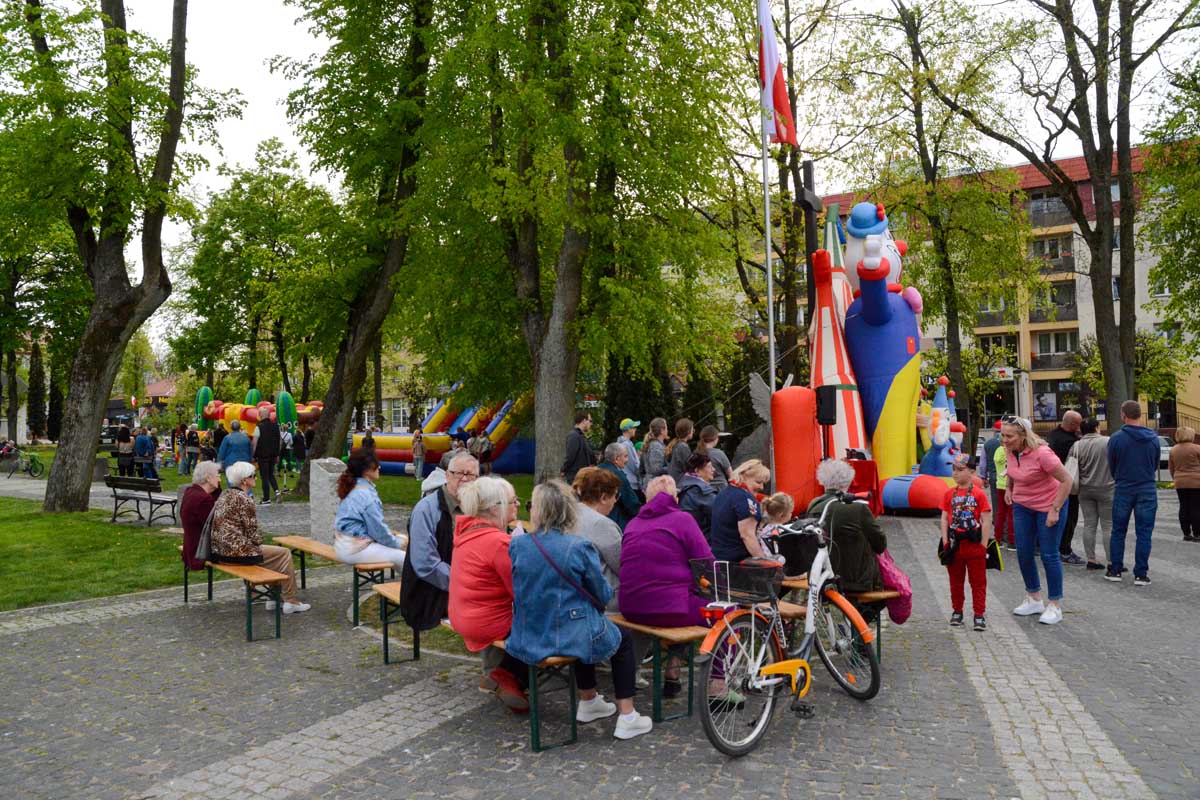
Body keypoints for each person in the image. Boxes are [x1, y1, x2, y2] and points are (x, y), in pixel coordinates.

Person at [508, 480, 653, 740]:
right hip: (568, 632)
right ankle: (627, 715)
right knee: (619, 638)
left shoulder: (518, 544)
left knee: (583, 627)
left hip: (530, 631)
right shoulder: (578, 546)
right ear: (567, 510)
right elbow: (602, 593)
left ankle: (589, 699)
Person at [619, 474, 715, 697]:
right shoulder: (683, 520)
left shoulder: (633, 523)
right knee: (727, 614)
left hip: (631, 607)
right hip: (669, 609)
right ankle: (719, 684)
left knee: (681, 600)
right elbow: (706, 563)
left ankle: (673, 669)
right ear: (675, 498)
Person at [447, 476, 530, 712]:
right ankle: (507, 676)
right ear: (495, 509)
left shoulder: (467, 533)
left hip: (462, 614)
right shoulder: (498, 542)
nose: (517, 504)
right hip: (485, 622)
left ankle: (504, 676)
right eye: (513, 501)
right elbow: (522, 591)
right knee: (547, 622)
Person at [210, 461, 310, 613]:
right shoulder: (244, 499)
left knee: (275, 556)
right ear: (244, 480)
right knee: (283, 554)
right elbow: (253, 533)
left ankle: (274, 599)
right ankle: (290, 601)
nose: (256, 478)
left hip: (219, 552)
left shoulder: (225, 495)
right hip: (235, 553)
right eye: (253, 475)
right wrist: (259, 543)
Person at [401, 452, 477, 648]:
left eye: (471, 475)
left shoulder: (476, 508)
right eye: (459, 473)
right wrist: (466, 582)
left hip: (462, 584)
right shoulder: (426, 509)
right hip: (429, 593)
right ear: (447, 475)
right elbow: (426, 564)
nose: (465, 479)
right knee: (492, 612)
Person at [1002, 416, 1072, 624]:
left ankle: (1054, 605)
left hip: (1049, 505)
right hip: (1023, 505)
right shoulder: (1010, 449)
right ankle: (1034, 598)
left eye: (1009, 436)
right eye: (1003, 435)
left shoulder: (1043, 454)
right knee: (1023, 552)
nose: (1004, 440)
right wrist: (1009, 488)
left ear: (1023, 436)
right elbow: (1012, 470)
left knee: (1049, 554)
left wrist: (1055, 509)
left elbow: (1067, 480)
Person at [807, 460, 887, 593]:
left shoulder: (814, 504)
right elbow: (880, 544)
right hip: (856, 580)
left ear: (822, 480)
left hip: (821, 576)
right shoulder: (858, 508)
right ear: (848, 481)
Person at [1106, 401, 1160, 586]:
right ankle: (1141, 574)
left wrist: (1120, 477)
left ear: (1123, 415)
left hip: (1124, 487)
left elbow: (1112, 465)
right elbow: (1155, 463)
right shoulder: (1153, 438)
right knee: (1144, 533)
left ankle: (1115, 570)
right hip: (1147, 488)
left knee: (1118, 530)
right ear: (1140, 414)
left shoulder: (1116, 438)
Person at [939, 454, 992, 631]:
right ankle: (957, 611)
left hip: (974, 544)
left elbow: (986, 519)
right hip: (955, 545)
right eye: (953, 469)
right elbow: (944, 518)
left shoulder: (979, 494)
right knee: (955, 581)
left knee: (978, 582)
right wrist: (945, 541)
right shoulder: (949, 494)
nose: (955, 473)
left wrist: (983, 545)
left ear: (971, 471)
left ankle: (979, 614)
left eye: (960, 469)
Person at [333, 449, 407, 572]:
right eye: (376, 465)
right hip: (354, 549)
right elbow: (378, 531)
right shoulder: (366, 495)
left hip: (343, 545)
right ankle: (417, 584)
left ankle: (406, 583)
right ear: (366, 470)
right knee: (405, 558)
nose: (379, 467)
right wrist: (399, 542)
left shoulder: (354, 486)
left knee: (399, 548)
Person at [572, 467, 623, 609]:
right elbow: (623, 566)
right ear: (603, 497)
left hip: (577, 596)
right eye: (615, 495)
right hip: (605, 603)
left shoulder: (570, 514)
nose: (615, 501)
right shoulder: (602, 524)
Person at [1070, 418, 1114, 569]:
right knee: (1108, 526)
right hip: (1107, 488)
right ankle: (1112, 561)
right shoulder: (1108, 442)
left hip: (1085, 489)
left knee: (1089, 524)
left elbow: (1071, 465)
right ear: (1096, 428)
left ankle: (1091, 559)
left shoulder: (1077, 445)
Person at [1045, 410, 1084, 565]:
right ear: (1073, 424)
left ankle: (1052, 546)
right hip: (1066, 484)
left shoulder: (1052, 435)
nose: (1080, 427)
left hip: (1050, 484)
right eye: (1078, 424)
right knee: (1069, 517)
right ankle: (1065, 550)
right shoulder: (1070, 442)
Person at [710, 459, 769, 562]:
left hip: (720, 558)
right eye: (758, 482)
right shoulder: (744, 499)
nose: (761, 487)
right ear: (744, 477)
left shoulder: (724, 493)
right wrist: (765, 562)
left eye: (763, 483)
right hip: (738, 561)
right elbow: (748, 536)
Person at [179, 461, 221, 572]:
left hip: (190, 546)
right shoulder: (204, 500)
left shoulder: (191, 492)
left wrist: (215, 487)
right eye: (218, 475)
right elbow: (215, 528)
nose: (220, 479)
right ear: (208, 478)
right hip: (201, 551)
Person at [597, 443, 641, 530]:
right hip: (616, 522)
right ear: (616, 459)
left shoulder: (595, 470)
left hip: (597, 519)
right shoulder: (618, 476)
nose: (627, 460)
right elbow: (632, 504)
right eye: (625, 456)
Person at [676, 452, 719, 539]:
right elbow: (719, 513)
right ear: (697, 471)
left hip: (686, 535)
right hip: (704, 538)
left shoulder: (682, 484)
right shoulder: (699, 491)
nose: (713, 469)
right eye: (709, 467)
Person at [1169, 425, 1200, 542]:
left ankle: (1186, 533)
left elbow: (1171, 468)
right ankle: (1197, 534)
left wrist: (1175, 478)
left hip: (1180, 481)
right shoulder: (1197, 448)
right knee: (1196, 507)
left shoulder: (1173, 450)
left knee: (1184, 506)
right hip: (1196, 481)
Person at [252, 408, 282, 506]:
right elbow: (279, 441)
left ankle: (266, 498)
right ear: (269, 416)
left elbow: (254, 443)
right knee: (271, 474)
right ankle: (277, 492)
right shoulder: (276, 426)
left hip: (263, 455)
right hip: (273, 455)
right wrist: (278, 454)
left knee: (264, 477)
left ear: (260, 415)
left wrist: (253, 455)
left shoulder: (259, 427)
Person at [992, 434, 1015, 549]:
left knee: (1001, 513)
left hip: (999, 485)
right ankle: (1011, 541)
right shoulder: (1010, 451)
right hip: (1010, 486)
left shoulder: (997, 451)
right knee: (1011, 514)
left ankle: (997, 538)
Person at [757, 492, 794, 564]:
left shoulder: (764, 521)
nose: (791, 514)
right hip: (768, 560)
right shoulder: (773, 529)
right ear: (781, 515)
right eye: (790, 512)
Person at [560, 410, 596, 484]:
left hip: (583, 477)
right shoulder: (573, 436)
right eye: (590, 421)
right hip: (576, 478)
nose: (591, 424)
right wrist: (563, 469)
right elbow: (570, 456)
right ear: (584, 421)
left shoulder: (581, 436)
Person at [694, 425, 732, 491]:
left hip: (703, 489)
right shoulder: (719, 453)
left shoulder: (696, 453)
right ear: (715, 438)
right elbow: (730, 474)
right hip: (721, 489)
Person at [615, 418, 641, 492]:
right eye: (634, 427)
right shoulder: (627, 445)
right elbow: (633, 465)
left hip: (627, 481)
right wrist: (641, 473)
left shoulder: (624, 443)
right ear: (629, 429)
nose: (635, 429)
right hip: (631, 483)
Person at [665, 418, 694, 482]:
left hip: (674, 480)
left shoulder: (676, 444)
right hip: (679, 482)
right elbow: (689, 467)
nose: (693, 432)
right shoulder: (683, 447)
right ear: (688, 431)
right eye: (692, 430)